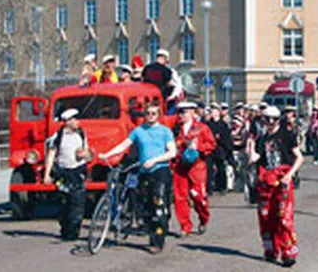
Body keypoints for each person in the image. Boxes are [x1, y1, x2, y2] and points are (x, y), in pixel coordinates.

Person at [98, 104, 176, 254]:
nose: (151, 115)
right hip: (144, 172)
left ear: (158, 114)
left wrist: (155, 160)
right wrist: (107, 155)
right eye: (148, 113)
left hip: (160, 171)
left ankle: (157, 241)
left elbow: (172, 152)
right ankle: (153, 229)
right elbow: (124, 145)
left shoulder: (165, 131)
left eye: (154, 113)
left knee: (158, 205)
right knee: (145, 207)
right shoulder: (138, 131)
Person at [250, 106, 303, 267]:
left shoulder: (287, 135)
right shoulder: (262, 138)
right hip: (266, 182)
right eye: (267, 119)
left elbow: (299, 157)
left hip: (282, 181)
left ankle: (288, 252)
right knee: (266, 217)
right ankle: (271, 250)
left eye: (274, 119)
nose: (271, 123)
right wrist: (252, 151)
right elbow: (259, 159)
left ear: (279, 120)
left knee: (283, 216)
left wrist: (290, 174)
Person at [43, 109, 92, 241]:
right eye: (75, 119)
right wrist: (47, 174)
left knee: (78, 203)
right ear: (68, 121)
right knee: (63, 203)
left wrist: (85, 155)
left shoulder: (81, 134)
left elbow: (88, 153)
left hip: (77, 172)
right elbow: (51, 155)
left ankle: (74, 232)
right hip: (63, 173)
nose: (78, 122)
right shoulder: (57, 137)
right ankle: (65, 229)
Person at [171, 101, 216, 237]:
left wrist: (198, 147)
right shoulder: (175, 129)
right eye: (179, 112)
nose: (180, 115)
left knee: (199, 197)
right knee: (180, 198)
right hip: (179, 167)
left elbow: (211, 144)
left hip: (197, 167)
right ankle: (185, 226)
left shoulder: (201, 128)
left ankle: (203, 218)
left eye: (183, 112)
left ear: (192, 112)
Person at [206, 103, 233, 195]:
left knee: (221, 168)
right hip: (209, 150)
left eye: (214, 110)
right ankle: (208, 188)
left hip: (220, 149)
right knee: (208, 169)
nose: (212, 112)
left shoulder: (223, 124)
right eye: (211, 111)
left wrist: (220, 138)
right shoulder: (208, 124)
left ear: (218, 112)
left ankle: (222, 186)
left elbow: (227, 137)